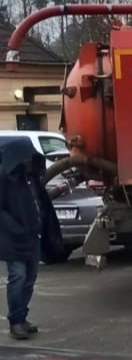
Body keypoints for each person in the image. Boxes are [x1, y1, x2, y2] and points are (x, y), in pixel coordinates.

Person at [0, 138, 63, 340]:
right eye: (25, 158)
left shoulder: (31, 177)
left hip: (33, 236)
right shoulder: (5, 179)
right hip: (13, 239)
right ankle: (15, 322)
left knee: (29, 279)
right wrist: (17, 229)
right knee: (17, 277)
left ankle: (22, 317)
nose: (29, 161)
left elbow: (39, 201)